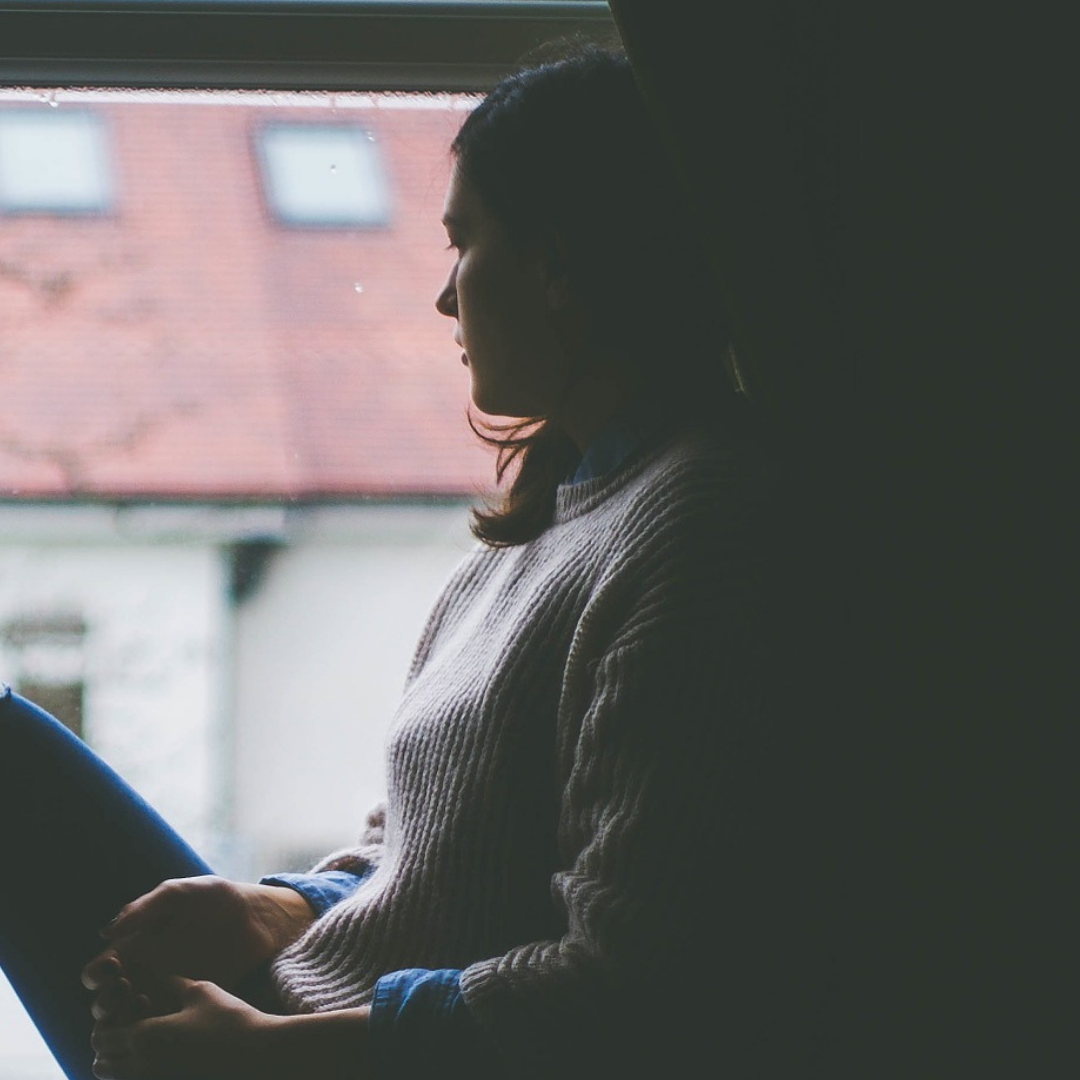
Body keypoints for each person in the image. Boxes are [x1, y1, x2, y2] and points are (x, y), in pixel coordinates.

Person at [1, 45, 791, 1080]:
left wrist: (270, 1058)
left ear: (555, 264)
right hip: (296, 1014)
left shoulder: (703, 524)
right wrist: (274, 908)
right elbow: (423, 867)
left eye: (464, 244)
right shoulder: (542, 526)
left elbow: (632, 990)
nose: (443, 299)